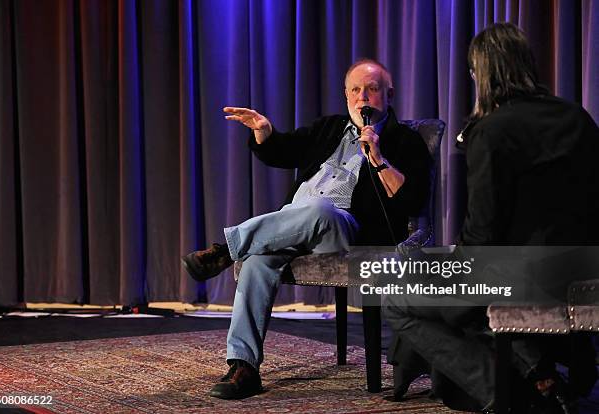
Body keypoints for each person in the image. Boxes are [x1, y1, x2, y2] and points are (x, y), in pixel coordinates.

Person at [181, 59, 431, 399]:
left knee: (319, 209)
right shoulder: (329, 128)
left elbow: (413, 200)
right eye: (355, 90)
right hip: (293, 223)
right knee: (256, 262)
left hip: (344, 229)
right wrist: (263, 131)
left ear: (389, 94)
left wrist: (378, 156)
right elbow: (283, 151)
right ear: (346, 95)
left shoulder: (405, 140)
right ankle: (244, 366)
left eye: (372, 89)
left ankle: (225, 249)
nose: (363, 97)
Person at [383, 23, 599, 413]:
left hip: (523, 277)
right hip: (584, 268)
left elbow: (483, 232)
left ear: (482, 74)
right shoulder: (577, 117)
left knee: (397, 297)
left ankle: (507, 394)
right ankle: (541, 374)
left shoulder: (491, 130)